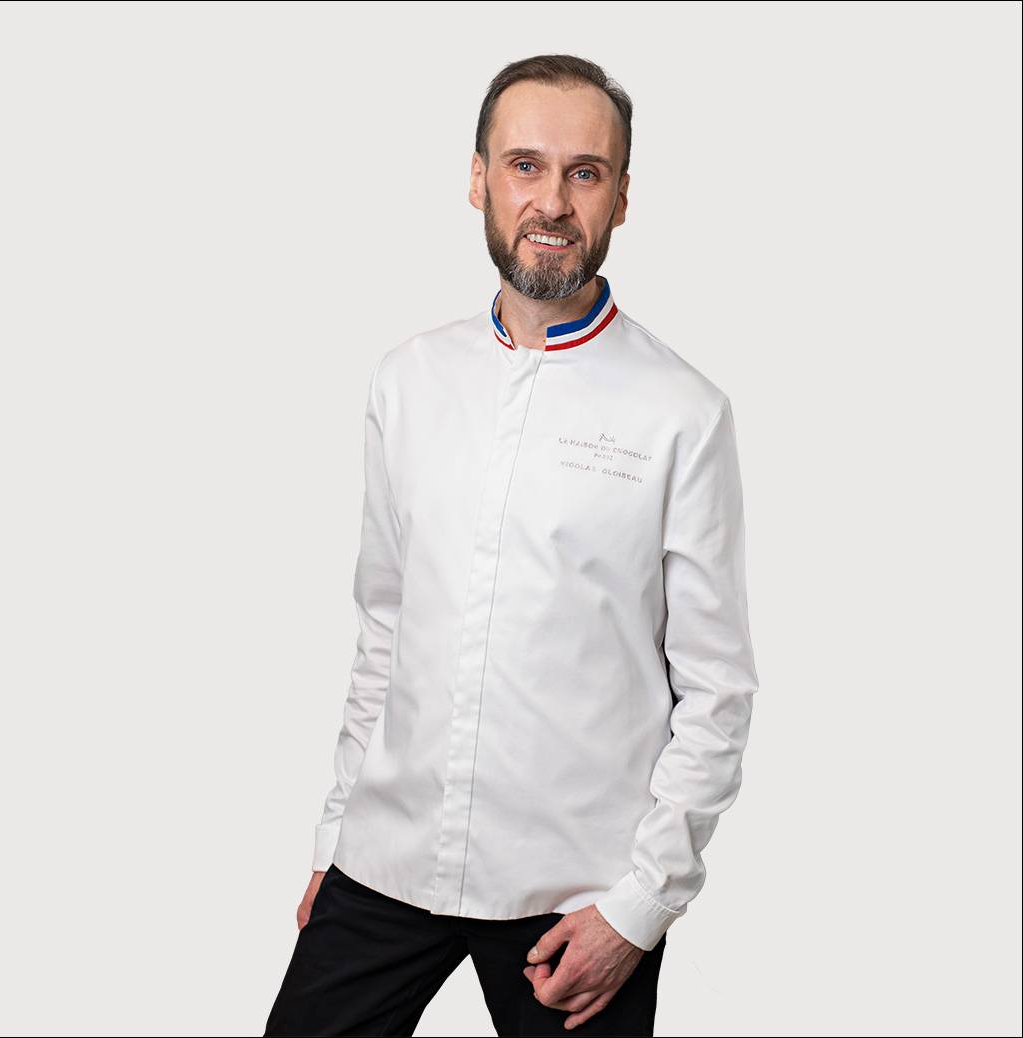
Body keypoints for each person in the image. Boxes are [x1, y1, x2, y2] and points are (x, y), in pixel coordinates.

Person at [264, 53, 760, 1038]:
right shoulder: (407, 380)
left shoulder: (683, 413)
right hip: (386, 860)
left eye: (586, 172)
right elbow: (383, 629)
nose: (553, 201)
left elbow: (716, 693)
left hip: (575, 899)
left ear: (622, 198)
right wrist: (334, 836)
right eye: (525, 165)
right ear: (478, 178)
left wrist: (639, 909)